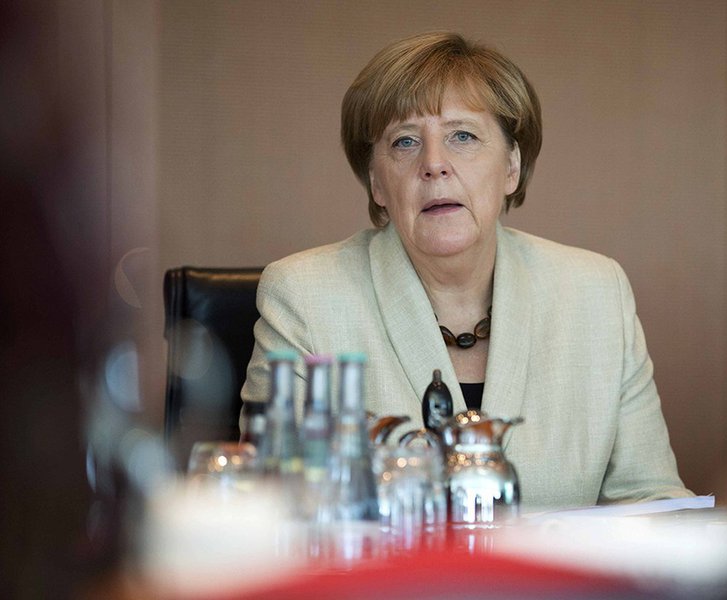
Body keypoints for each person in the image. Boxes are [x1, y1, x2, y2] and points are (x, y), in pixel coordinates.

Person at [240, 32, 693, 510]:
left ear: (512, 167)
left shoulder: (595, 292)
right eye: (405, 141)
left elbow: (652, 499)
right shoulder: (305, 296)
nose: (434, 164)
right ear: (376, 182)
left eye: (463, 136)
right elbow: (273, 508)